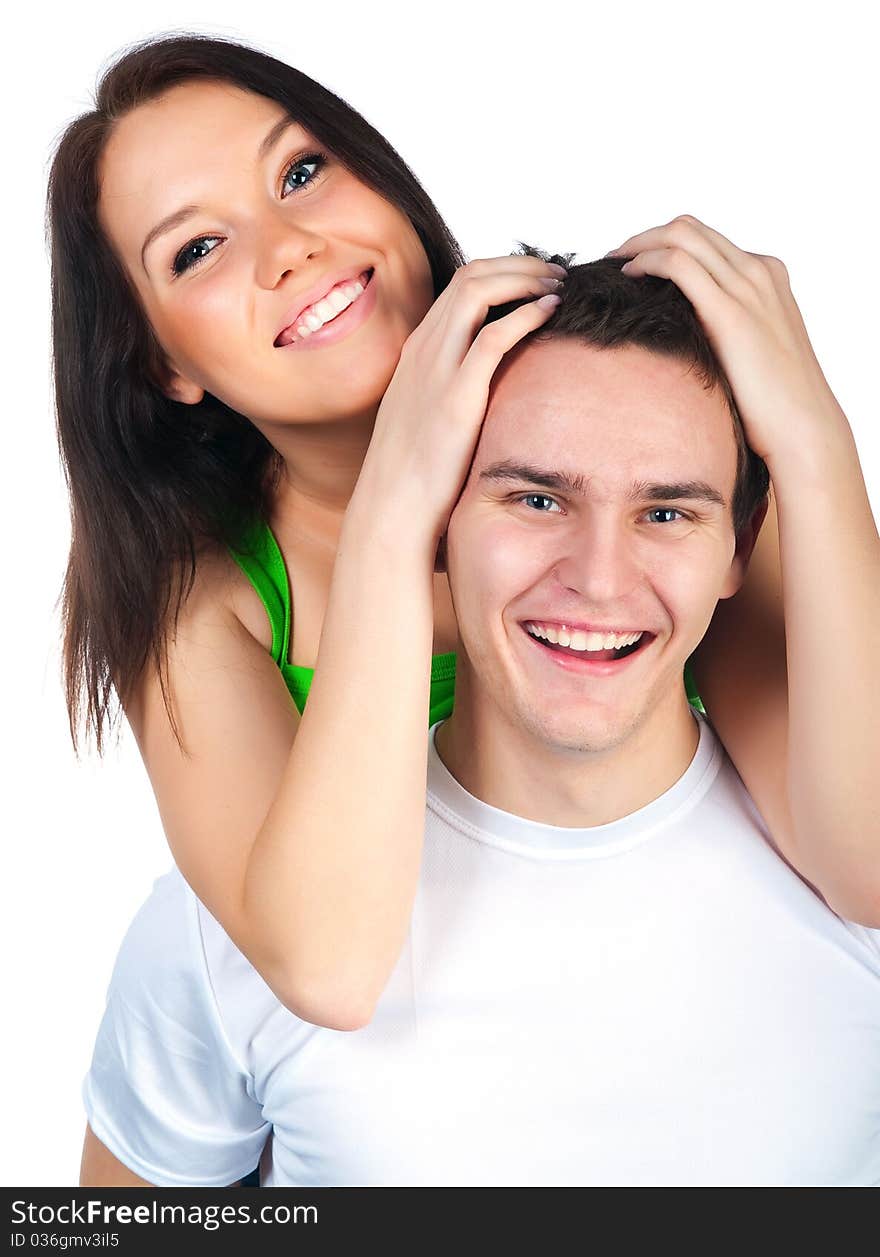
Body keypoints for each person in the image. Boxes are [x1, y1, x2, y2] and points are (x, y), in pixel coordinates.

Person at [51, 33, 878, 1051]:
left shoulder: (634, 433)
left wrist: (811, 438)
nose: (288, 248)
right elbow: (332, 969)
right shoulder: (201, 610)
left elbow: (867, 864)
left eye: (302, 172)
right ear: (159, 361)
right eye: (197, 249)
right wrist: (394, 507)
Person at [80, 256, 880, 1187]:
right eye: (537, 499)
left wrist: (821, 443)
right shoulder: (236, 929)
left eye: (667, 511)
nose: (600, 579)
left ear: (739, 550)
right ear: (438, 528)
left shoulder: (852, 890)